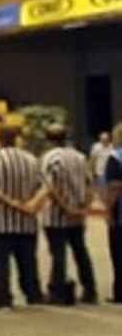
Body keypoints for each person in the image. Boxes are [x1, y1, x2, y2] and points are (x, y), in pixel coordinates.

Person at [0, 125, 47, 309]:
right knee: (28, 259)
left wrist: (11, 202)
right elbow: (45, 186)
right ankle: (33, 294)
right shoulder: (31, 159)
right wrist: (32, 204)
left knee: (0, 260)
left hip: (0, 221)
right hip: (27, 221)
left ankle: (2, 296)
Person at [40, 122, 96, 305]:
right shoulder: (80, 157)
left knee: (58, 254)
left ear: (48, 139)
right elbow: (90, 185)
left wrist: (66, 208)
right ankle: (90, 289)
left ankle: (58, 291)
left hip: (56, 215)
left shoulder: (50, 158)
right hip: (78, 215)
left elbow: (52, 188)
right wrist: (83, 209)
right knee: (80, 251)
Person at [105, 123, 122, 304]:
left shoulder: (115, 158)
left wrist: (108, 211)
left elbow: (113, 187)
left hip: (120, 213)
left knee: (118, 253)